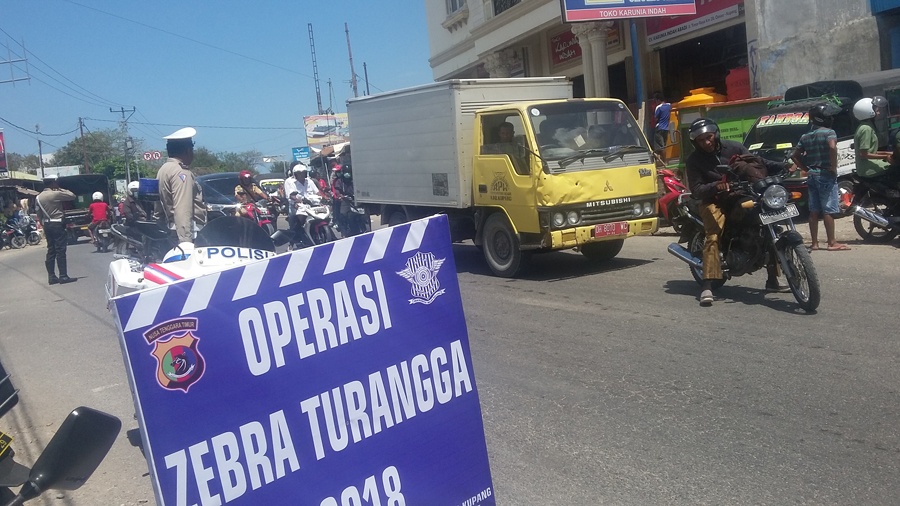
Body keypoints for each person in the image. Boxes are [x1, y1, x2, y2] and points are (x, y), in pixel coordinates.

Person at [685, 118, 789, 306]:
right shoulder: (694, 160)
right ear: (695, 142)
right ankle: (707, 285)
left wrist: (782, 166)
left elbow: (757, 161)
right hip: (713, 201)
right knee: (713, 234)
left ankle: (773, 279)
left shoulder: (733, 147)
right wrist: (717, 186)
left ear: (715, 134)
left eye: (708, 137)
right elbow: (697, 189)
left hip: (740, 195)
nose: (706, 142)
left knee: (765, 221)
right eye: (701, 140)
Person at [790, 104, 850, 252]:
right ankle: (831, 242)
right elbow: (832, 147)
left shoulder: (805, 136)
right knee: (828, 209)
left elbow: (794, 156)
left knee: (814, 210)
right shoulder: (830, 133)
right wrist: (833, 167)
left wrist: (805, 169)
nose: (831, 118)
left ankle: (815, 243)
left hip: (812, 176)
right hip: (826, 175)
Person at [157, 127, 206, 245]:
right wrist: (185, 242)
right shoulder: (181, 172)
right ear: (187, 150)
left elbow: (158, 207)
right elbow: (182, 208)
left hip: (172, 228)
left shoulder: (164, 169)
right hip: (188, 233)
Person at [35, 174, 77, 285]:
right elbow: (72, 195)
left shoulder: (38, 197)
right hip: (57, 224)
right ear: (53, 183)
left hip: (47, 225)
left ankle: (52, 276)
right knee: (60, 250)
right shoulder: (55, 194)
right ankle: (63, 276)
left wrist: (44, 224)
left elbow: (39, 214)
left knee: (51, 250)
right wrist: (59, 188)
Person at [853, 97, 898, 188]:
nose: (879, 113)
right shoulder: (866, 129)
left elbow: (871, 151)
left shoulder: (865, 126)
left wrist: (890, 153)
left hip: (867, 165)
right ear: (870, 113)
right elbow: (863, 154)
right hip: (868, 168)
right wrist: (885, 156)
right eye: (877, 111)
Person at [331, 164, 354, 234]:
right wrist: (339, 195)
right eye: (346, 172)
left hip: (354, 199)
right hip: (345, 199)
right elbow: (337, 189)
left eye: (349, 172)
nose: (347, 174)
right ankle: (344, 233)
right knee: (343, 215)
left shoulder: (354, 179)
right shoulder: (339, 180)